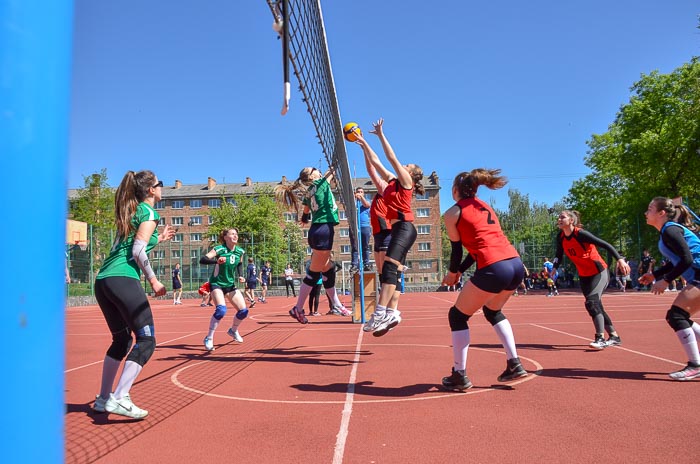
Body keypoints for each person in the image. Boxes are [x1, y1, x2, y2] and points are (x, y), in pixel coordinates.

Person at [92, 170, 175, 418]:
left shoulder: (132, 211)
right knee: (146, 340)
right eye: (160, 184)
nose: (162, 187)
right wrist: (153, 279)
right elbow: (138, 251)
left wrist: (157, 239)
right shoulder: (149, 212)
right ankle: (120, 397)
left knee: (122, 341)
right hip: (123, 279)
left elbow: (131, 246)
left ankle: (104, 398)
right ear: (151, 190)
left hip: (104, 281)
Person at [440, 169, 527, 390]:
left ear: (455, 190)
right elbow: (477, 248)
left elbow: (457, 250)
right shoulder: (485, 207)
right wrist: (459, 270)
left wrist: (453, 272)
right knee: (492, 311)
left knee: (457, 316)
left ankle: (459, 374)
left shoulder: (452, 213)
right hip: (515, 264)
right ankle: (514, 363)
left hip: (494, 267)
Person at [354, 118, 424, 337]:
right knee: (389, 272)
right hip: (398, 230)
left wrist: (381, 135)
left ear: (411, 174)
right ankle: (390, 313)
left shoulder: (406, 181)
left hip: (405, 228)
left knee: (390, 269)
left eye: (408, 166)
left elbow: (391, 158)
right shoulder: (392, 182)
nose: (405, 165)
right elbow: (376, 163)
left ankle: (381, 313)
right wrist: (364, 143)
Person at [639, 197, 700, 380]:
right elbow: (676, 261)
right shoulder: (667, 231)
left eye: (650, 209)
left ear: (661, 213)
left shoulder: (670, 230)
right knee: (678, 316)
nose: (646, 213)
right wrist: (655, 275)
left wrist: (666, 281)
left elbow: (687, 259)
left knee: (677, 315)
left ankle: (695, 365)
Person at [275, 166, 343, 324]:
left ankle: (337, 304)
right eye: (313, 169)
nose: (317, 169)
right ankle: (297, 308)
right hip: (323, 230)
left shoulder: (310, 190)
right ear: (312, 177)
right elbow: (331, 172)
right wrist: (334, 162)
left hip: (318, 230)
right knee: (314, 274)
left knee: (329, 268)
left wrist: (305, 218)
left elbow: (306, 209)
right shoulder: (320, 183)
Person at [553, 210, 629, 349]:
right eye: (559, 217)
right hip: (584, 275)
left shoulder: (580, 234)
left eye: (562, 217)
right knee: (595, 305)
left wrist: (620, 260)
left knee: (592, 302)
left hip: (599, 272)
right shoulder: (561, 237)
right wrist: (554, 267)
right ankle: (614, 336)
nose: (559, 219)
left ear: (571, 220)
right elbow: (559, 253)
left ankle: (599, 338)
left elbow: (605, 245)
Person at [199, 228, 251, 350]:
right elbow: (203, 259)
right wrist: (216, 261)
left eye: (236, 234)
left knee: (243, 311)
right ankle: (209, 337)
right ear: (226, 237)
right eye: (232, 234)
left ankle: (233, 330)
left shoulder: (239, 251)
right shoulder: (219, 249)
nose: (235, 236)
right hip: (217, 283)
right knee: (221, 310)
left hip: (230, 284)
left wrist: (241, 275)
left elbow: (239, 264)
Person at [350, 187, 372, 273]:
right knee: (355, 247)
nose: (359, 193)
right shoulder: (353, 203)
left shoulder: (366, 201)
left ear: (364, 193)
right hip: (354, 226)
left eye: (361, 192)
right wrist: (354, 198)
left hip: (364, 226)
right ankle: (354, 264)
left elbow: (367, 205)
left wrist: (361, 197)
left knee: (365, 246)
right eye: (358, 192)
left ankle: (366, 264)